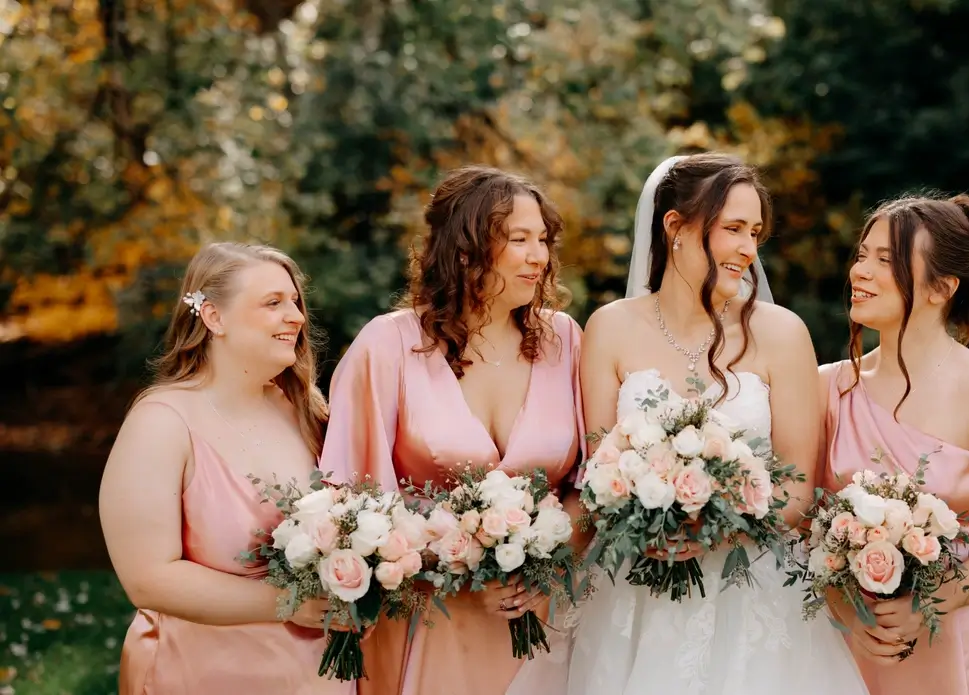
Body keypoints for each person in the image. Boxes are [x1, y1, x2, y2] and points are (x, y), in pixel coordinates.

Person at [560, 153, 869, 695]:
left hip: (751, 592)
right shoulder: (609, 329)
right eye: (732, 230)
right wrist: (642, 518)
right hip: (634, 591)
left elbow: (800, 486)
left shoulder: (782, 333)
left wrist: (719, 524)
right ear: (675, 228)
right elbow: (597, 474)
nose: (749, 249)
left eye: (755, 233)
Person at [318, 166, 585, 695]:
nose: (539, 256)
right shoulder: (388, 346)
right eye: (519, 240)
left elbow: (588, 483)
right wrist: (457, 562)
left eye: (543, 240)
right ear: (465, 250)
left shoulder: (565, 341)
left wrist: (550, 564)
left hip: (542, 621)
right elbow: (351, 500)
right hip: (428, 620)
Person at [819, 193, 969, 694]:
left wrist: (932, 602)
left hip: (967, 644)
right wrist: (846, 613)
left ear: (942, 287)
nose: (860, 271)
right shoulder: (824, 390)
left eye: (886, 260)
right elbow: (798, 527)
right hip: (851, 646)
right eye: (862, 254)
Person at [100, 242, 350, 694]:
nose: (295, 316)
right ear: (214, 318)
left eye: (294, 302)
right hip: (204, 673)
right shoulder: (160, 423)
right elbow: (148, 579)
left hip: (318, 676)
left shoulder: (304, 411)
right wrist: (288, 603)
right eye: (273, 303)